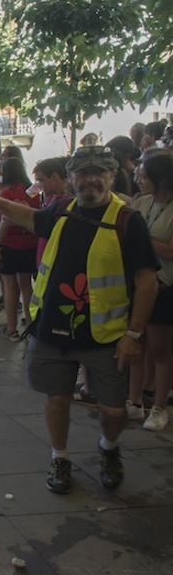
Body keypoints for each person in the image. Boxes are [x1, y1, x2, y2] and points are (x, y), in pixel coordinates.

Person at [0, 145, 158, 494]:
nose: (91, 178)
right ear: (71, 179)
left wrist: (134, 334)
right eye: (82, 172)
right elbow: (29, 217)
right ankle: (59, 456)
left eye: (99, 171)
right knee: (57, 400)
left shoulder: (127, 220)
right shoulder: (61, 208)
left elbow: (147, 280)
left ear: (112, 176)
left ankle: (108, 447)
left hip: (105, 334)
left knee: (114, 411)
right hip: (51, 330)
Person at [129, 150, 173, 430]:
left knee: (160, 350)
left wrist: (143, 238)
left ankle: (159, 407)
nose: (139, 179)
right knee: (136, 343)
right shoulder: (140, 202)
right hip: (135, 283)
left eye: (145, 176)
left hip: (165, 286)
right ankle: (133, 402)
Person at [0, 157, 40, 340]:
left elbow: (5, 220)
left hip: (10, 244)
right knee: (27, 287)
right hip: (31, 242)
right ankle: (30, 328)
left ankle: (11, 330)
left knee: (10, 288)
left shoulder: (6, 193)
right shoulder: (35, 189)